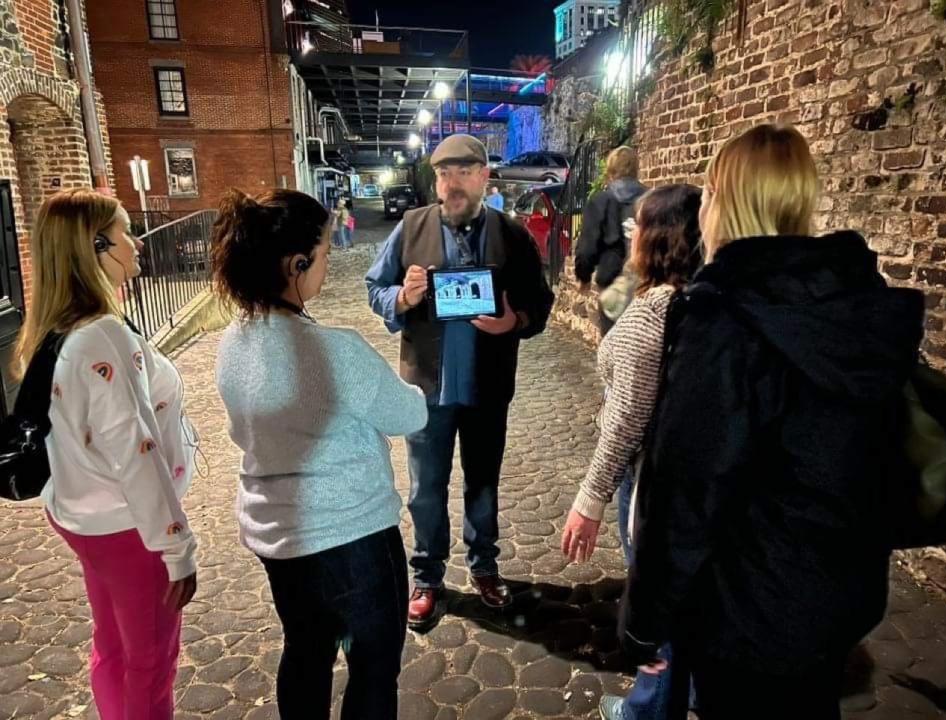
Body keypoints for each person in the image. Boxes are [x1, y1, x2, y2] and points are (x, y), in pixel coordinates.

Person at [619, 124, 926, 720]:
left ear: (726, 201)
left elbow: (688, 487)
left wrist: (644, 619)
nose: (701, 210)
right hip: (837, 592)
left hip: (749, 609)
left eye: (707, 193)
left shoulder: (723, 317)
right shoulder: (853, 301)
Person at [213, 188, 427, 719]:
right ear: (297, 262)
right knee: (374, 669)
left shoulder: (233, 342)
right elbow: (409, 415)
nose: (328, 265)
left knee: (305, 653)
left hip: (279, 540)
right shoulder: (337, 350)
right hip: (353, 538)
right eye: (326, 253)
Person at [13, 188, 199, 718]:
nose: (136, 241)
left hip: (82, 514)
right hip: (127, 527)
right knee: (150, 662)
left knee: (113, 646)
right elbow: (136, 452)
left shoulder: (64, 328)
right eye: (123, 233)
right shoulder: (102, 335)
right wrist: (176, 548)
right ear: (96, 246)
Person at [365, 134, 555, 629]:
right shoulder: (411, 227)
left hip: (487, 386)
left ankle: (484, 567)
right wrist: (402, 299)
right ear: (436, 179)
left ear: (484, 176)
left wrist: (514, 322)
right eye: (444, 174)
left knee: (483, 484)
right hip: (426, 388)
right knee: (426, 489)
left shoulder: (512, 235)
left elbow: (541, 301)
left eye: (465, 172)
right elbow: (374, 288)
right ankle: (427, 576)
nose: (453, 183)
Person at [559, 185, 702, 720]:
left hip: (649, 481)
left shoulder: (654, 313)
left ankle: (649, 710)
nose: (629, 234)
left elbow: (625, 422)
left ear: (658, 235)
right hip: (688, 479)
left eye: (636, 226)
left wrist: (589, 499)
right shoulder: (700, 297)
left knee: (653, 598)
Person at [575, 146, 646, 335]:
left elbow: (587, 247)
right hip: (645, 283)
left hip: (612, 282)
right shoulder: (652, 199)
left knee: (612, 343)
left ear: (611, 170)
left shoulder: (601, 201)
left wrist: (583, 277)